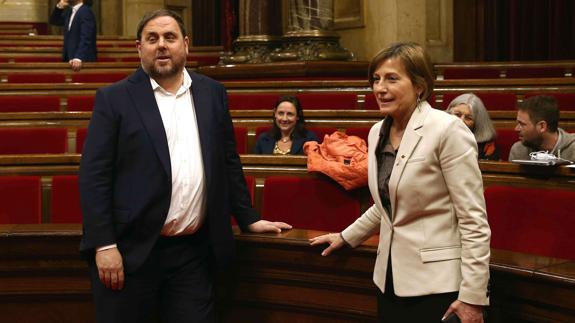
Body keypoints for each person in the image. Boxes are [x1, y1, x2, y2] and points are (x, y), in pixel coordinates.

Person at [79, 9, 291, 323]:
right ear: (139, 48)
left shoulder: (212, 93)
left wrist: (248, 218)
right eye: (152, 39)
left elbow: (227, 161)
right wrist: (104, 244)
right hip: (131, 253)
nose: (161, 45)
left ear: (186, 45)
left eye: (170, 37)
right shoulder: (115, 99)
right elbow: (94, 175)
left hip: (193, 254)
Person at [310, 42, 491, 323]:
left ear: (419, 85)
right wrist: (346, 237)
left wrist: (473, 298)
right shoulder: (376, 132)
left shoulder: (447, 129)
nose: (380, 88)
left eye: (392, 78)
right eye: (376, 79)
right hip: (390, 279)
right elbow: (387, 204)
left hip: (437, 286)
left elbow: (474, 220)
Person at [509, 95, 575, 161]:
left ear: (542, 126)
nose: (516, 129)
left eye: (522, 124)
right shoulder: (519, 150)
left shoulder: (573, 149)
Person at [254, 95, 318, 155]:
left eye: (290, 114)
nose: (284, 119)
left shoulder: (309, 139)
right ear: (275, 113)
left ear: (297, 116)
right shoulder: (263, 139)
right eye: (280, 113)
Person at [446, 93, 500, 160]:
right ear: (448, 114)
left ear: (477, 123)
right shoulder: (438, 135)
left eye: (468, 118)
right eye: (457, 114)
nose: (461, 121)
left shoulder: (487, 146)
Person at [49, 0, 97, 71]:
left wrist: (79, 57)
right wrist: (59, 6)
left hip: (81, 61)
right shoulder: (70, 11)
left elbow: (86, 37)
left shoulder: (86, 11)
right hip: (70, 58)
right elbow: (54, 21)